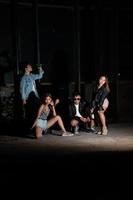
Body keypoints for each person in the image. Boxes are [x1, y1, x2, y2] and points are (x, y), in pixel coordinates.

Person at [20, 62, 44, 131]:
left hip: (34, 95)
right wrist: (23, 99)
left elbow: (40, 76)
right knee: (31, 112)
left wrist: (40, 68)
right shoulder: (24, 78)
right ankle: (31, 127)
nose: (31, 67)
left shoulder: (31, 75)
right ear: (26, 68)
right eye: (29, 66)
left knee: (34, 111)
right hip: (29, 96)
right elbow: (22, 89)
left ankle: (36, 127)